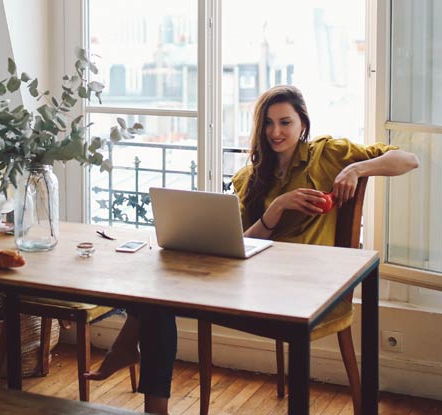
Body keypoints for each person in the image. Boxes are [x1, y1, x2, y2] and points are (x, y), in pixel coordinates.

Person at [83, 85, 419, 414]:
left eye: (285, 122)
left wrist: (356, 168)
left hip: (311, 287)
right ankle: (156, 407)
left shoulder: (327, 154)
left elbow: (407, 159)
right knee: (159, 285)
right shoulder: (250, 177)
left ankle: (126, 345)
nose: (276, 131)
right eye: (268, 123)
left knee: (158, 294)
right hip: (254, 281)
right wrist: (276, 210)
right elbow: (242, 241)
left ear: (302, 123)